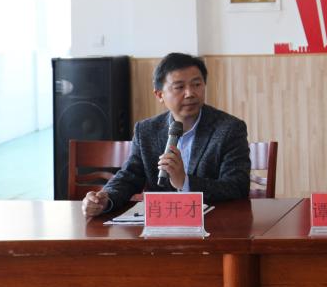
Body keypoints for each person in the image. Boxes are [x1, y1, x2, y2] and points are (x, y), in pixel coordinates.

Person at [81, 53, 251, 217]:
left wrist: (185, 182)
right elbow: (129, 177)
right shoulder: (146, 130)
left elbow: (237, 186)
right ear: (159, 94)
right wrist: (105, 198)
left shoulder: (229, 129)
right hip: (160, 226)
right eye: (179, 87)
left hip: (215, 224)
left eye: (196, 84)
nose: (190, 93)